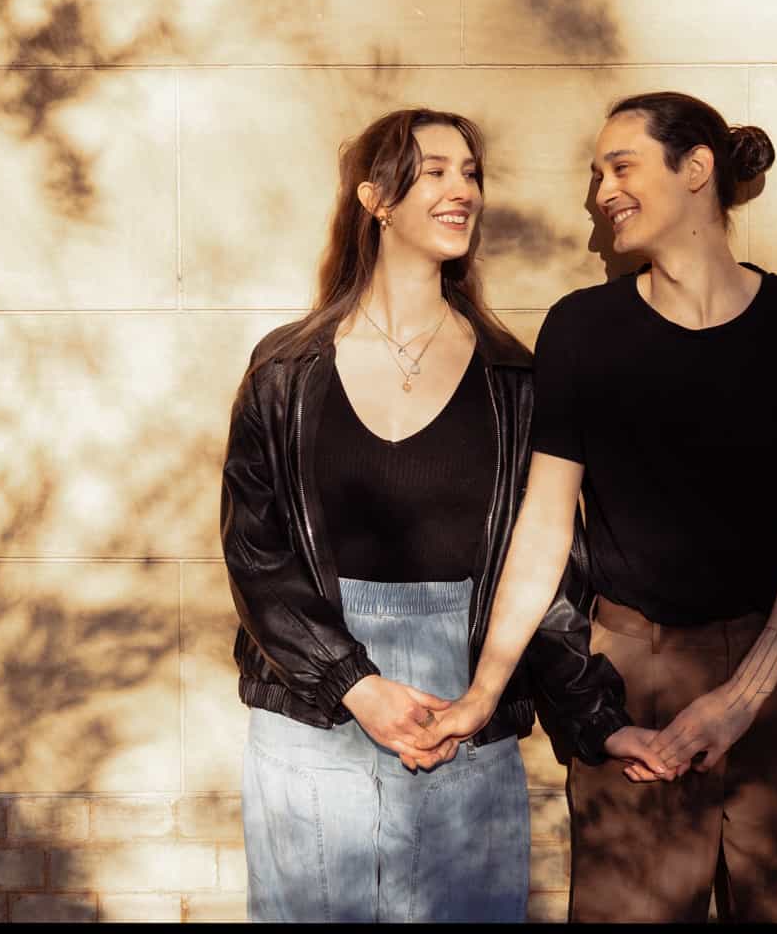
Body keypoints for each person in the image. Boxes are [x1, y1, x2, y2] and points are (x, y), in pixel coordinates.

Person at [419, 91, 777, 924]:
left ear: (695, 169)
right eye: (596, 175)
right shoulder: (581, 329)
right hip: (633, 677)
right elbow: (543, 527)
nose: (601, 193)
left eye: (620, 167)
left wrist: (743, 696)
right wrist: (483, 689)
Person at [220, 107, 668, 924]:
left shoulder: (515, 379)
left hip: (465, 702)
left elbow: (548, 569)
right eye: (433, 171)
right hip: (312, 706)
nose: (461, 189)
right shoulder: (285, 368)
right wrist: (354, 684)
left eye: (470, 173)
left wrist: (598, 721)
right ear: (375, 199)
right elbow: (256, 553)